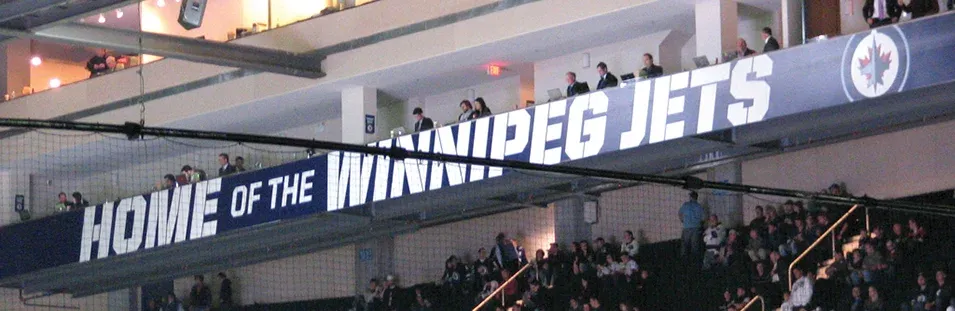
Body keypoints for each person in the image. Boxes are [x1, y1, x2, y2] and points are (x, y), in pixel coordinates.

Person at [679, 191, 705, 260]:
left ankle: (684, 260)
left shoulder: (685, 205)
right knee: (695, 246)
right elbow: (703, 218)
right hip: (696, 228)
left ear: (690, 197)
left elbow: (680, 214)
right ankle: (694, 261)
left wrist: (683, 221)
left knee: (685, 245)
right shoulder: (699, 206)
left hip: (687, 227)